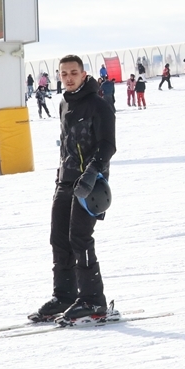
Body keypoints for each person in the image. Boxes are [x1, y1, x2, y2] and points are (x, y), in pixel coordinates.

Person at [29, 54, 117, 324]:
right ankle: (65, 296)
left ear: (83, 74)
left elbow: (107, 145)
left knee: (80, 238)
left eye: (73, 73)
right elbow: (67, 145)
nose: (68, 78)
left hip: (90, 184)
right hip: (65, 180)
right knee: (59, 238)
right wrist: (60, 179)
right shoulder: (64, 103)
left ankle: (93, 300)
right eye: (64, 73)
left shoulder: (98, 105)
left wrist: (91, 173)